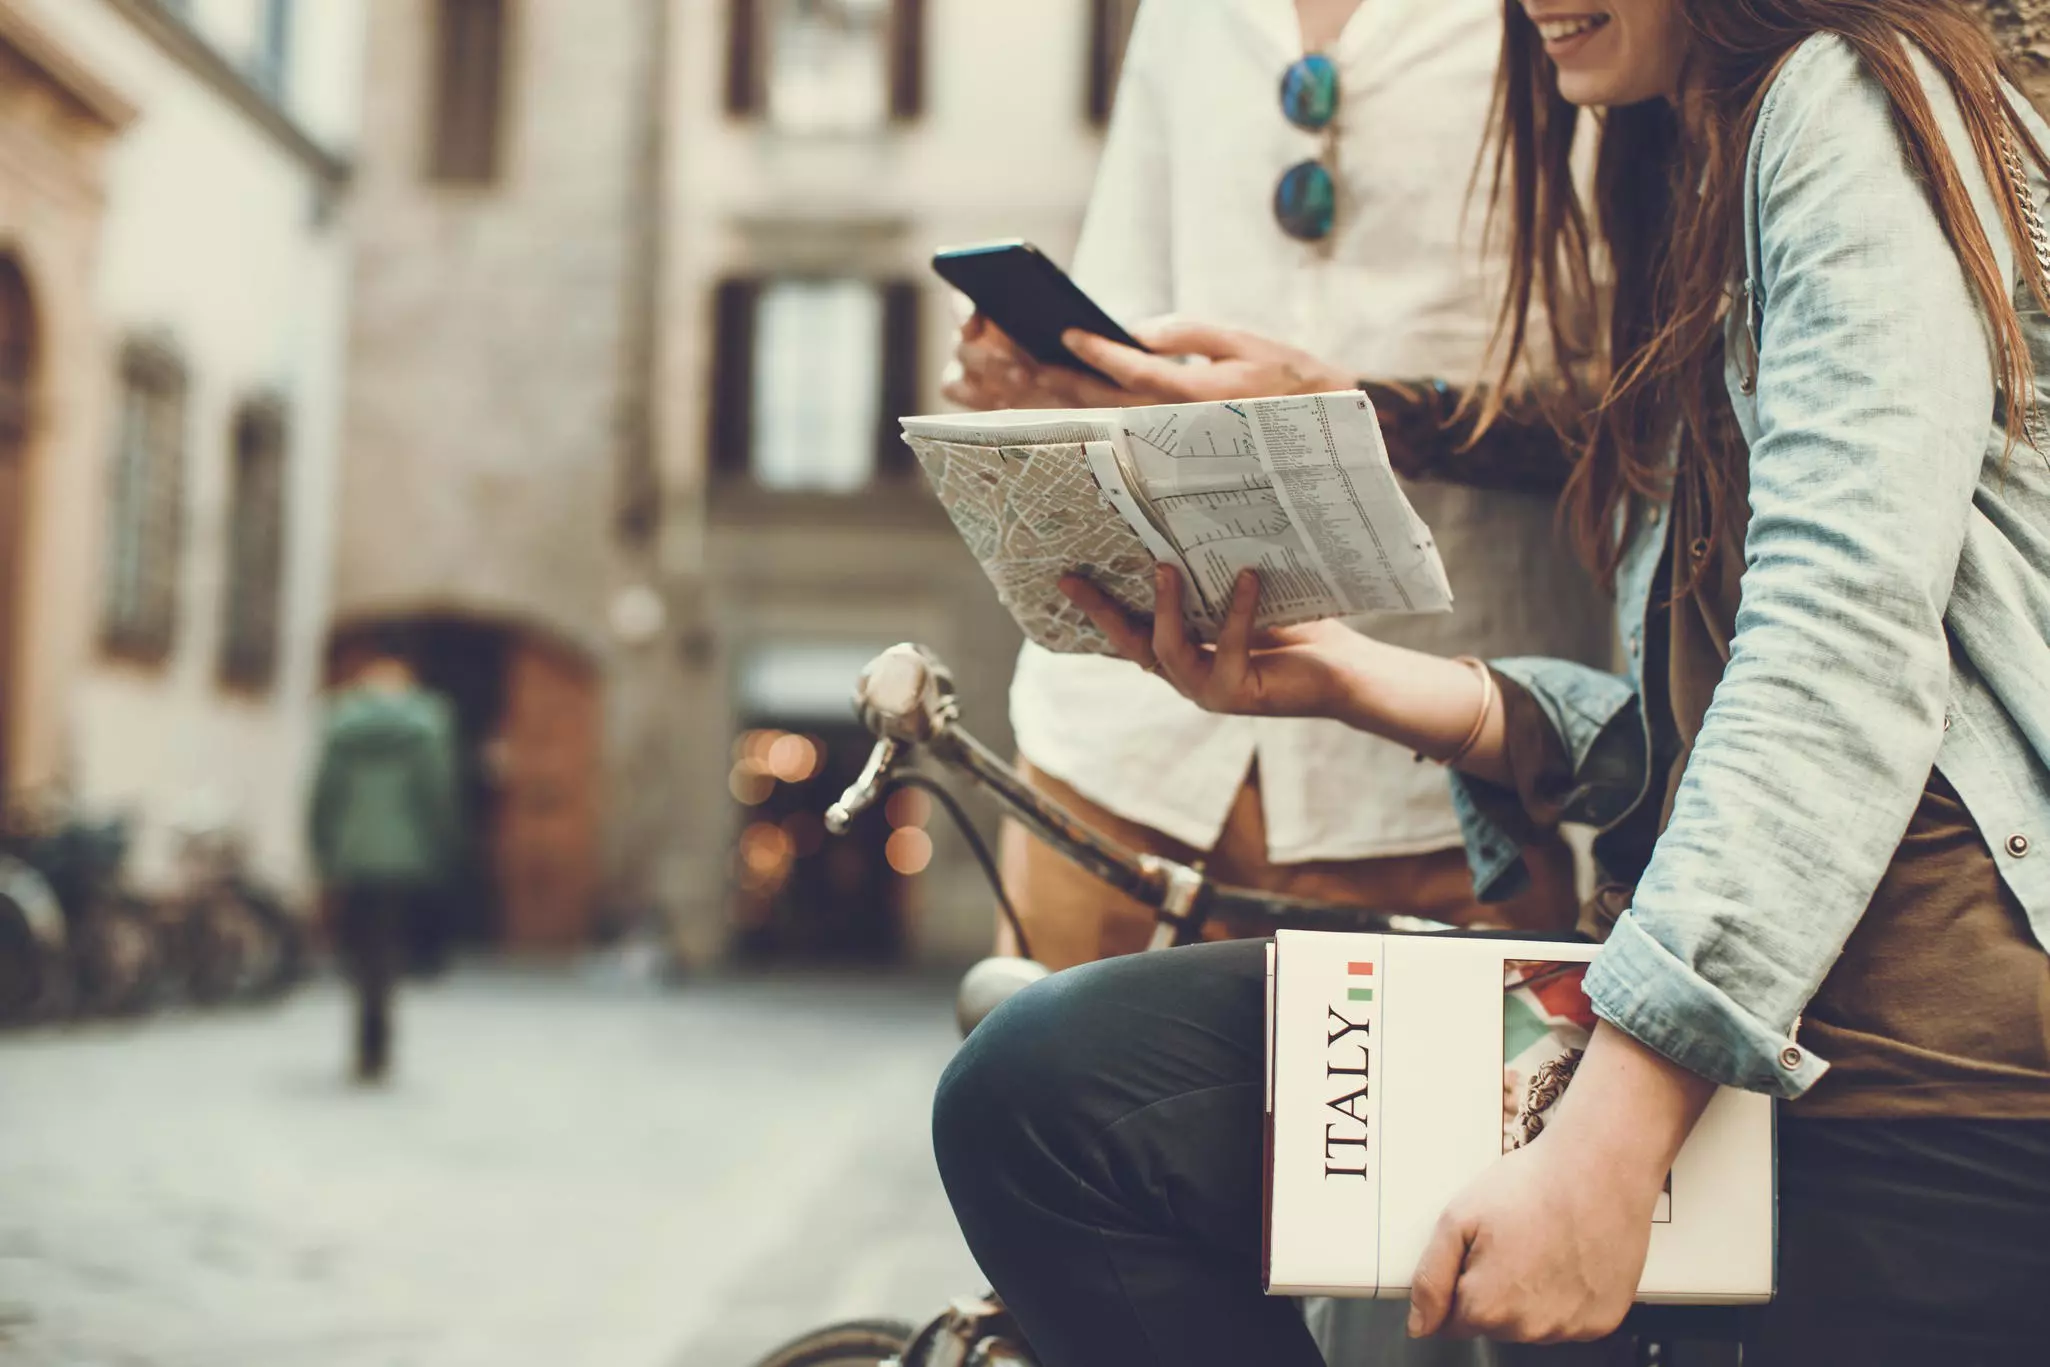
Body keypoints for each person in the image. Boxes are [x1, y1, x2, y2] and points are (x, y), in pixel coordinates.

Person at [934, 1, 2050, 1362]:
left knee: (1062, 1109)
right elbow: (1700, 730)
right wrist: (1391, 687)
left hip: (1904, 1087)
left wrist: (1609, 1143)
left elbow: (1841, 649)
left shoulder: (1845, 104)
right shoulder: (1689, 156)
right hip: (1756, 1020)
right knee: (1053, 1086)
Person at [945, 0, 1612, 973]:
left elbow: (1663, 412)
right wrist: (1036, 378)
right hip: (1114, 758)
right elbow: (1125, 311)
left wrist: (1359, 410)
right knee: (1048, 1116)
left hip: (1438, 783)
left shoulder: (1599, 20)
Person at [308, 649, 462, 1082]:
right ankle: (381, 1043)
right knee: (389, 948)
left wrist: (322, 847)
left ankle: (363, 1042)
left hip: (353, 851)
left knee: (361, 950)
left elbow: (325, 793)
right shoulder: (425, 727)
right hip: (406, 854)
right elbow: (436, 793)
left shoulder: (343, 726)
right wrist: (442, 844)